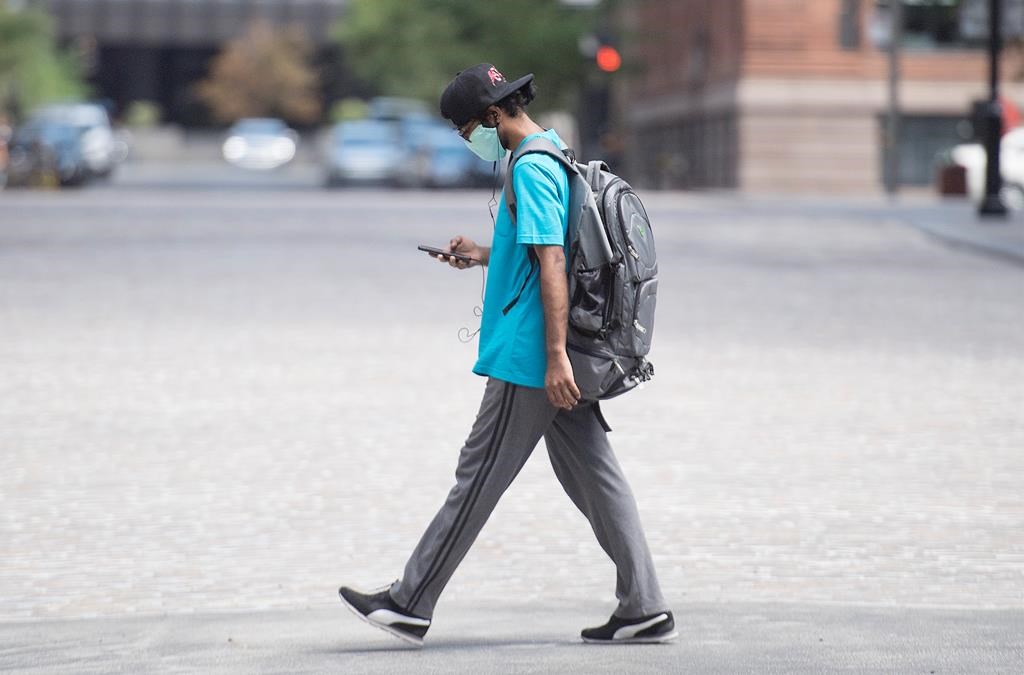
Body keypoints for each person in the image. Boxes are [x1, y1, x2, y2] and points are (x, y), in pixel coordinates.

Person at [339, 63, 675, 646]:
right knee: (596, 476)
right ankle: (644, 606)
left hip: (532, 359)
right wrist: (482, 253)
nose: (468, 140)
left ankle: (409, 601)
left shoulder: (531, 168)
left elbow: (552, 265)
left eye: (466, 128)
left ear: (494, 115)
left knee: (477, 475)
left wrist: (554, 359)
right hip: (553, 353)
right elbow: (542, 250)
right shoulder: (555, 151)